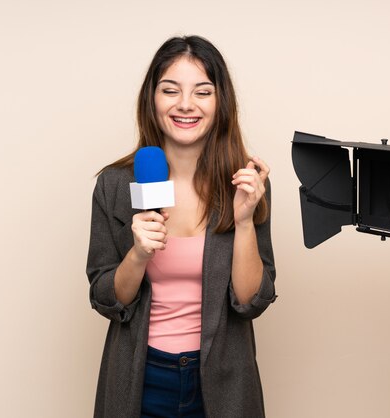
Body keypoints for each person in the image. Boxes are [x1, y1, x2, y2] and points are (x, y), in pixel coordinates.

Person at [86, 35, 277, 418]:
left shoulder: (247, 183)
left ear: (220, 102)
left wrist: (243, 222)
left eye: (202, 92)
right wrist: (138, 254)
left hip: (222, 381)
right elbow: (107, 298)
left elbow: (250, 301)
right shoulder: (114, 185)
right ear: (152, 99)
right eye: (170, 90)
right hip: (140, 379)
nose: (186, 104)